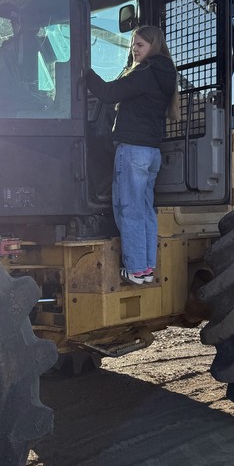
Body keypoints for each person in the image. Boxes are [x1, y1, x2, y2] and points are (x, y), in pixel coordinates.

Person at [84, 26, 178, 285]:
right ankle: (146, 268)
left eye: (140, 45)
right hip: (151, 152)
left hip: (133, 150)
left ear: (153, 46)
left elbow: (108, 93)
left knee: (128, 210)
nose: (134, 49)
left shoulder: (145, 72)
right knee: (145, 210)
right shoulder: (164, 74)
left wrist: (85, 72)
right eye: (133, 45)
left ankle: (135, 269)